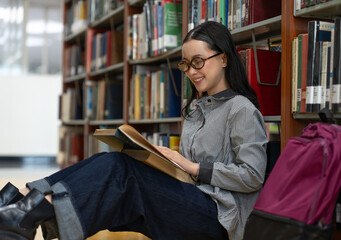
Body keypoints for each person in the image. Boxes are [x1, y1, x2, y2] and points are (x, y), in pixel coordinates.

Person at [0, 21, 267, 240]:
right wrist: (161, 163)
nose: (191, 71)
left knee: (121, 171)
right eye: (185, 64)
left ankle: (25, 209)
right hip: (193, 202)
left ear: (223, 59)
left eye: (198, 61)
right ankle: (26, 202)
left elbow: (253, 176)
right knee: (113, 160)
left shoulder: (241, 109)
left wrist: (192, 167)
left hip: (219, 219)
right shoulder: (197, 109)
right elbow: (188, 175)